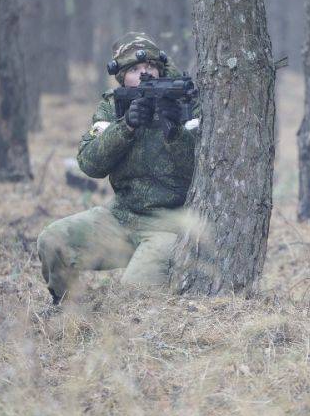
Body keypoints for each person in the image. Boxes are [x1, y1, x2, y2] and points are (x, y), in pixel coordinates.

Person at [37, 32, 199, 304]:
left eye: (150, 67)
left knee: (132, 297)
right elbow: (89, 164)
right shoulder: (113, 106)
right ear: (122, 78)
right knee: (53, 240)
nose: (144, 74)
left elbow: (201, 169)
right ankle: (67, 309)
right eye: (134, 69)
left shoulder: (184, 101)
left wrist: (174, 130)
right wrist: (126, 127)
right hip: (120, 217)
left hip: (169, 225)